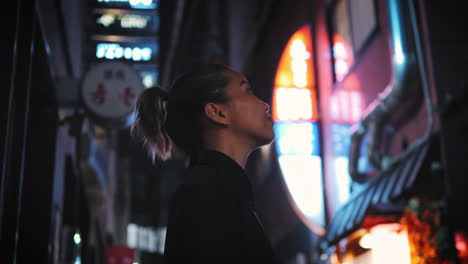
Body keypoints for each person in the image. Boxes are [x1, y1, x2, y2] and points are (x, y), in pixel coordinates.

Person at [132, 64, 278, 263]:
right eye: (247, 91)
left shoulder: (216, 188)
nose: (265, 105)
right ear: (216, 112)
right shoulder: (209, 191)